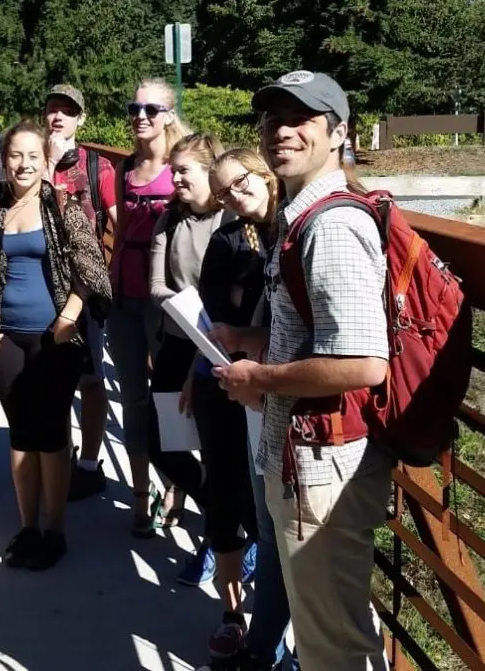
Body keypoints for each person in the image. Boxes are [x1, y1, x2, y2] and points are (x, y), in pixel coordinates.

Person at [214, 71, 391, 671]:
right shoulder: (300, 214)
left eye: (300, 119)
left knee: (331, 646)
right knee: (326, 633)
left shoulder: (333, 226)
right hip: (306, 459)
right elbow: (315, 335)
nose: (279, 131)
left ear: (339, 132)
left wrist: (257, 380)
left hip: (325, 468)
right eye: (270, 119)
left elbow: (363, 362)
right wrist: (251, 340)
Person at [0, 121, 112, 570]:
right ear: (3, 161)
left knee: (50, 434)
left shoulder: (63, 208)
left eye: (33, 156)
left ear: (46, 161)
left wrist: (68, 318)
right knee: (22, 432)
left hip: (55, 337)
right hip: (4, 334)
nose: (24, 164)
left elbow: (92, 269)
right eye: (15, 156)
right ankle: (27, 526)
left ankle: (55, 529)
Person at [198, 147, 291, 665]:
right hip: (258, 391)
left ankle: (273, 644)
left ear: (263, 173)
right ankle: (263, 644)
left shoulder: (297, 226)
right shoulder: (242, 236)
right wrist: (241, 334)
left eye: (243, 181)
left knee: (287, 533)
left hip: (296, 401)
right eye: (227, 191)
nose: (237, 193)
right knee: (271, 528)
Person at [144, 133, 230, 584]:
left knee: (219, 451)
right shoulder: (169, 219)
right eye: (172, 170)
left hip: (223, 351)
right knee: (164, 444)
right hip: (179, 342)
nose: (173, 178)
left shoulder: (234, 218)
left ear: (209, 171)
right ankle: (220, 514)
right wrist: (187, 308)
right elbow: (156, 284)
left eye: (183, 171)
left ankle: (221, 542)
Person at [109, 78, 188, 537]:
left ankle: (175, 484)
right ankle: (141, 495)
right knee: (135, 398)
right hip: (125, 296)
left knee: (170, 397)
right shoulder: (123, 170)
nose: (141, 116)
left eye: (152, 109)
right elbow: (119, 233)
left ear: (169, 115)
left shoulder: (180, 170)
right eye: (134, 106)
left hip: (167, 299)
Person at [41, 84, 118, 502]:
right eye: (53, 110)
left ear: (80, 119)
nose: (59, 117)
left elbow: (117, 225)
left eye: (68, 112)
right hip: (40, 286)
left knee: (91, 378)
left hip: (84, 291)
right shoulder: (32, 161)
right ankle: (55, 456)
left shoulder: (98, 167)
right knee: (50, 379)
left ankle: (88, 464)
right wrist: (47, 164)